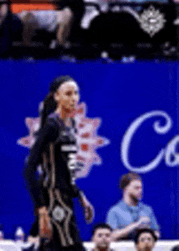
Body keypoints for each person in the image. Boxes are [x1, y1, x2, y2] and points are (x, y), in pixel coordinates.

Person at [24, 75, 94, 251]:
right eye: (68, 93)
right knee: (72, 247)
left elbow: (67, 170)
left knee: (53, 246)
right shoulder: (51, 126)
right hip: (53, 199)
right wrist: (41, 208)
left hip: (66, 197)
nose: (73, 98)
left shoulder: (70, 125)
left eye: (76, 93)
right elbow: (29, 169)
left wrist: (80, 196)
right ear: (57, 96)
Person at [106, 172, 160, 241]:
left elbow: (156, 233)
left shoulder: (147, 210)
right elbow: (111, 237)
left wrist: (149, 233)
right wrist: (136, 225)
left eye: (141, 188)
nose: (140, 191)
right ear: (125, 189)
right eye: (136, 188)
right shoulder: (115, 211)